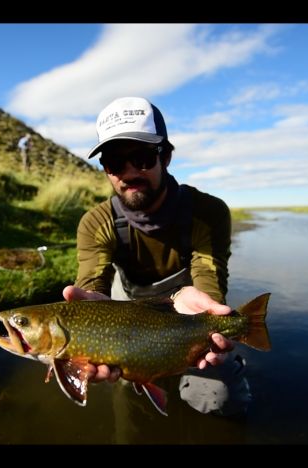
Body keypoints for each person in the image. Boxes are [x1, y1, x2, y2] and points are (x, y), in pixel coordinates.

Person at [63, 96, 251, 420]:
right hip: (128, 315)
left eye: (141, 157)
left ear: (165, 157)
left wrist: (205, 308)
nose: (129, 172)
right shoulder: (95, 222)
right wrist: (91, 309)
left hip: (189, 312)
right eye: (115, 163)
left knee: (221, 399)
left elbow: (208, 273)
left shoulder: (208, 212)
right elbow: (92, 282)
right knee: (128, 399)